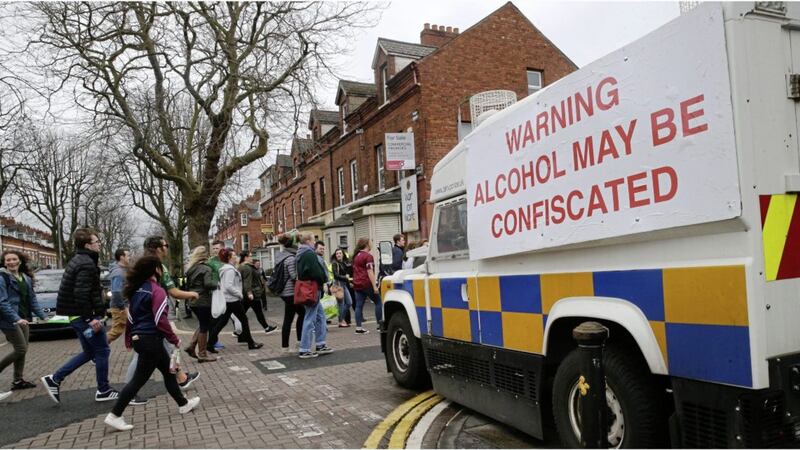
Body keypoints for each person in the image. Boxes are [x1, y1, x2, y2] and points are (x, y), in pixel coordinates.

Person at [104, 256, 200, 431]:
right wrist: (174, 338)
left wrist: (128, 339)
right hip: (151, 341)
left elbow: (131, 317)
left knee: (168, 372)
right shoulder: (157, 291)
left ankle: (183, 403)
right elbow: (159, 319)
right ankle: (115, 415)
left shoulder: (137, 290)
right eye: (161, 268)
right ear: (156, 270)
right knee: (138, 380)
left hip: (141, 339)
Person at [41, 228, 119, 404]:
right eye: (96, 241)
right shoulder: (86, 263)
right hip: (82, 317)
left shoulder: (80, 260)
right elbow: (81, 293)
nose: (99, 244)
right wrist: (90, 318)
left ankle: (55, 379)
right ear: (87, 245)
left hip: (76, 316)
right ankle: (103, 390)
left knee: (91, 351)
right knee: (102, 350)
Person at [122, 237, 200, 393]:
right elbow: (173, 292)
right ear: (158, 248)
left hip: (142, 315)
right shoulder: (157, 267)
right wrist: (192, 294)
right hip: (150, 319)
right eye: (166, 245)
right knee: (144, 355)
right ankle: (127, 392)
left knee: (165, 351)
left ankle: (181, 379)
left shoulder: (142, 263)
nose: (167, 248)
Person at [0, 250, 47, 400]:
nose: (11, 262)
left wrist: (42, 316)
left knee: (23, 350)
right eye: (8, 260)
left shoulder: (25, 278)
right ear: (4, 262)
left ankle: (18, 380)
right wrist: (16, 318)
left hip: (24, 318)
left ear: (19, 261)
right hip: (9, 319)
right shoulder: (2, 278)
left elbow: (32, 299)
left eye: (14, 259)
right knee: (20, 349)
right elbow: (2, 302)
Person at [208, 248, 263, 350]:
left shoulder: (226, 268)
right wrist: (239, 294)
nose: (236, 257)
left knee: (223, 322)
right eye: (234, 255)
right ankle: (251, 343)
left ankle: (210, 343)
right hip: (232, 300)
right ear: (229, 257)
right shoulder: (229, 270)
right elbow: (228, 286)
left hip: (229, 300)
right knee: (244, 320)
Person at [296, 232, 332, 358]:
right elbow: (316, 272)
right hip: (312, 288)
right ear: (308, 241)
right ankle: (304, 349)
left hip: (306, 288)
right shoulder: (309, 254)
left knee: (320, 316)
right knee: (310, 318)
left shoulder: (300, 253)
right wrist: (323, 281)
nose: (314, 242)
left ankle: (320, 344)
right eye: (313, 240)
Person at [183, 246, 218, 362]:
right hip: (203, 300)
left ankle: (191, 346)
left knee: (203, 323)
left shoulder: (191, 269)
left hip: (192, 299)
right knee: (204, 326)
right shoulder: (206, 269)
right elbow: (208, 284)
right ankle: (202, 354)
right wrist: (216, 283)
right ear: (205, 256)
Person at [275, 233, 304, 353]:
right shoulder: (291, 258)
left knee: (288, 319)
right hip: (291, 292)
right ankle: (299, 341)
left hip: (285, 293)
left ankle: (285, 346)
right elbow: (293, 276)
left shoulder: (280, 256)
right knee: (303, 314)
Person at [239, 250, 278, 335]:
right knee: (257, 312)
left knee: (243, 313)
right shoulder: (246, 267)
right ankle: (266, 328)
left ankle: (240, 332)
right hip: (252, 294)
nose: (251, 258)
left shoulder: (243, 266)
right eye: (250, 256)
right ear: (245, 257)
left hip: (250, 293)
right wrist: (249, 293)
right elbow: (247, 281)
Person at [352, 238, 382, 334]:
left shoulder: (356, 256)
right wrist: (374, 286)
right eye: (370, 242)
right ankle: (379, 325)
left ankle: (358, 327)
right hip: (366, 283)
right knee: (378, 302)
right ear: (367, 244)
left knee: (359, 305)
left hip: (357, 283)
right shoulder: (368, 256)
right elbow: (370, 271)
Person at [106, 248, 130, 343]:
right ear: (122, 257)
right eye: (128, 256)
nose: (130, 258)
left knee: (133, 327)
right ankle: (97, 347)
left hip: (124, 305)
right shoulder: (118, 272)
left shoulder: (123, 270)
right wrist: (122, 307)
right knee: (117, 330)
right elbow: (116, 291)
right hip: (119, 307)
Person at [330, 249, 353, 327]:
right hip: (338, 284)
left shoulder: (343, 263)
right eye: (337, 254)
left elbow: (346, 274)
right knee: (341, 304)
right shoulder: (334, 263)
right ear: (335, 255)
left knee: (349, 302)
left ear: (343, 254)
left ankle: (341, 319)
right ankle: (341, 321)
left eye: (340, 253)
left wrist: (348, 282)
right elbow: (336, 275)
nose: (338, 255)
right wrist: (345, 278)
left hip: (343, 284)